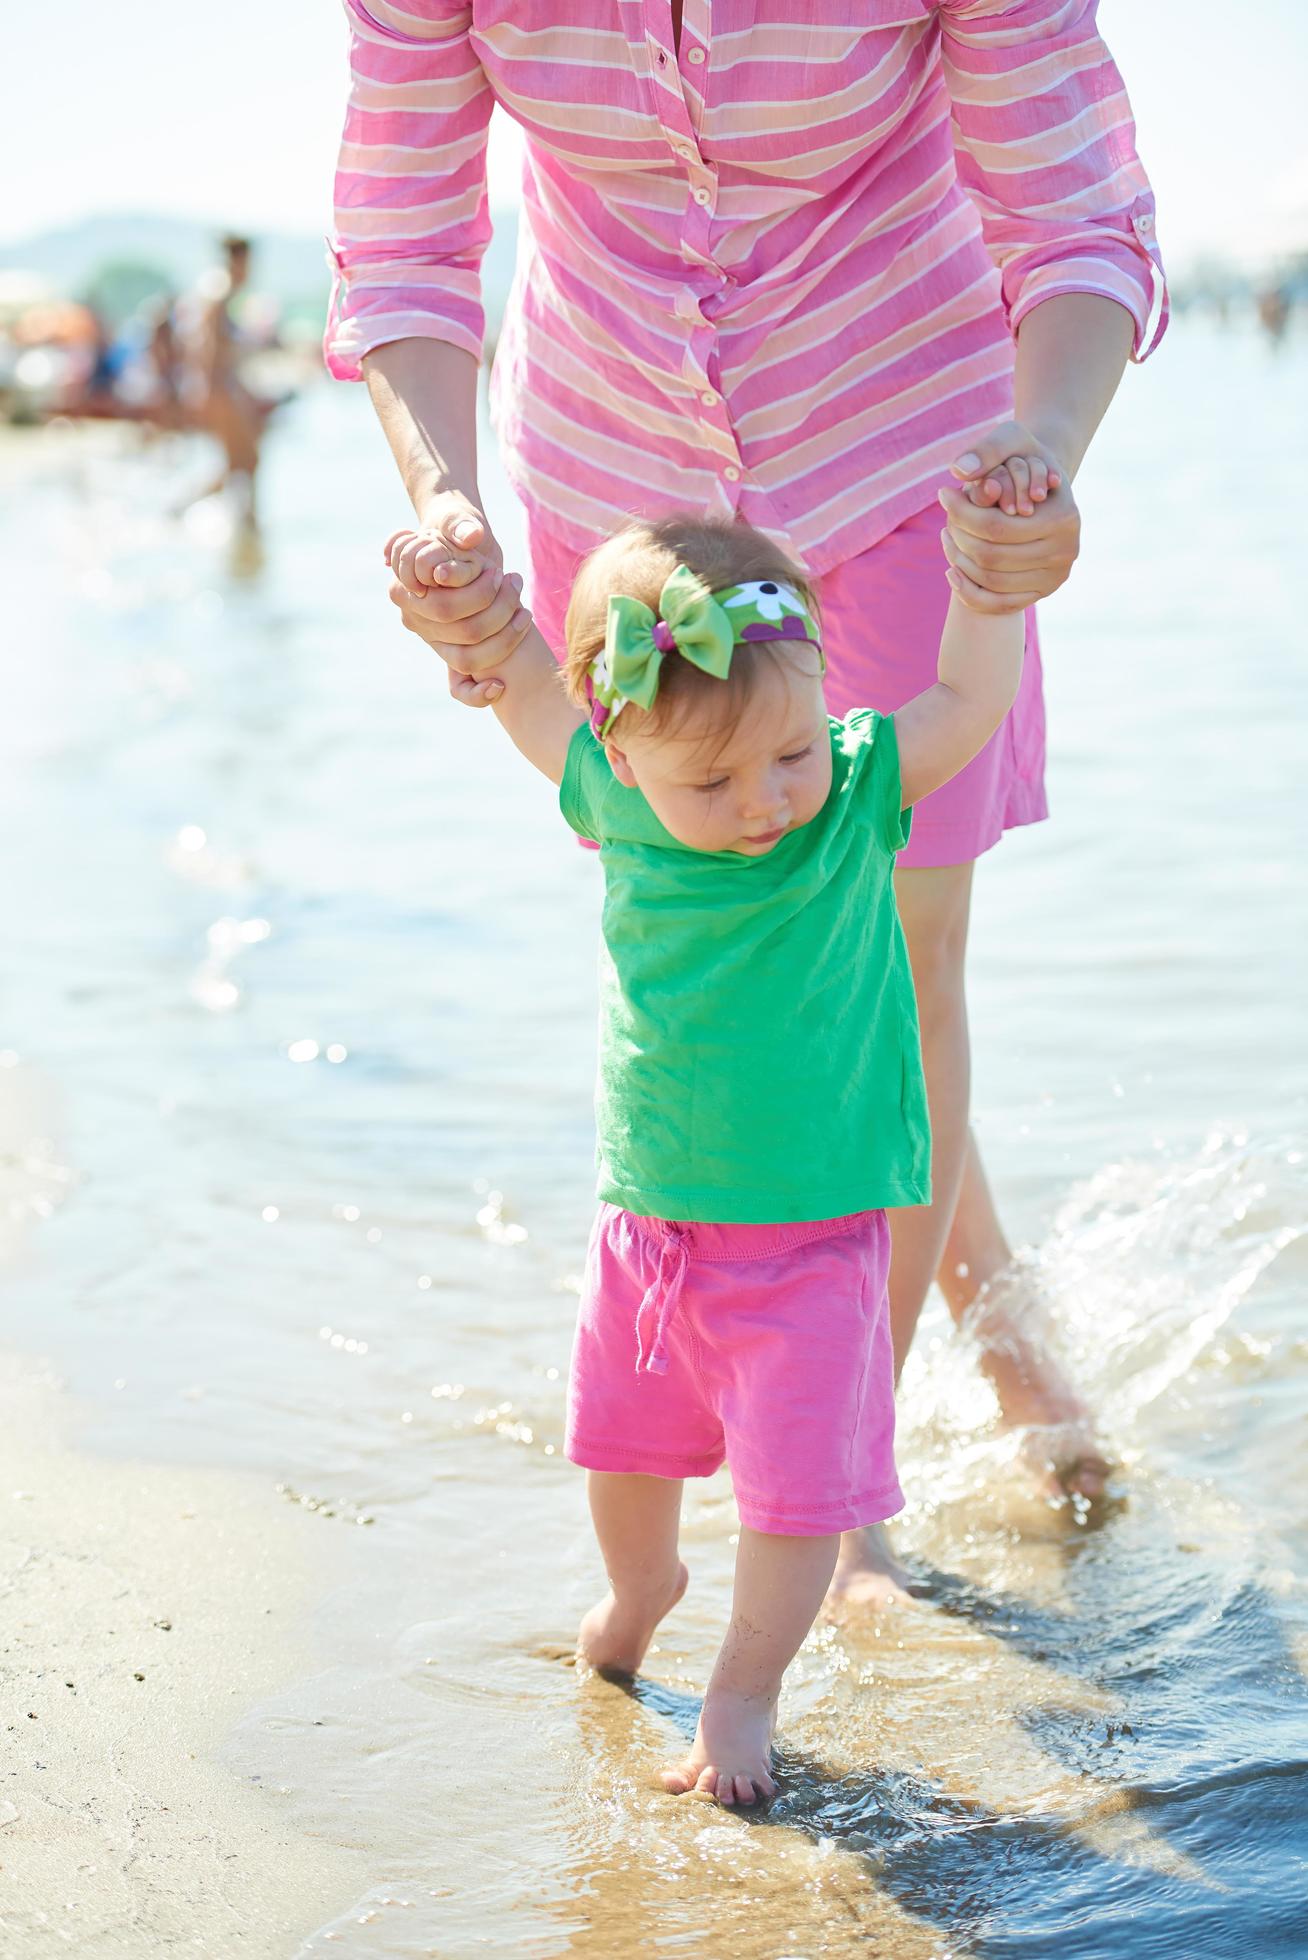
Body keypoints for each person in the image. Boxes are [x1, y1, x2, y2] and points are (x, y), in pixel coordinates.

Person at [329, 4, 1167, 1603]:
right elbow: (406, 243)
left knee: (904, 967)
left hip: (915, 442)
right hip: (615, 468)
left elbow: (1071, 204)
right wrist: (441, 499)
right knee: (754, 937)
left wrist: (1046, 453)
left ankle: (849, 1483)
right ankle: (1014, 1342)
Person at [383, 496, 1026, 1801]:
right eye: (714, 781)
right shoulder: (614, 795)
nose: (762, 804)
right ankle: (642, 1594)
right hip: (652, 1236)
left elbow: (964, 700)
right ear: (624, 755)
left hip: (815, 1242)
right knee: (619, 1456)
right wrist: (464, 586)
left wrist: (989, 578)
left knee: (800, 1504)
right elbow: (514, 679)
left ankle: (742, 1693)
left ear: (821, 705)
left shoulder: (848, 791)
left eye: (786, 753)